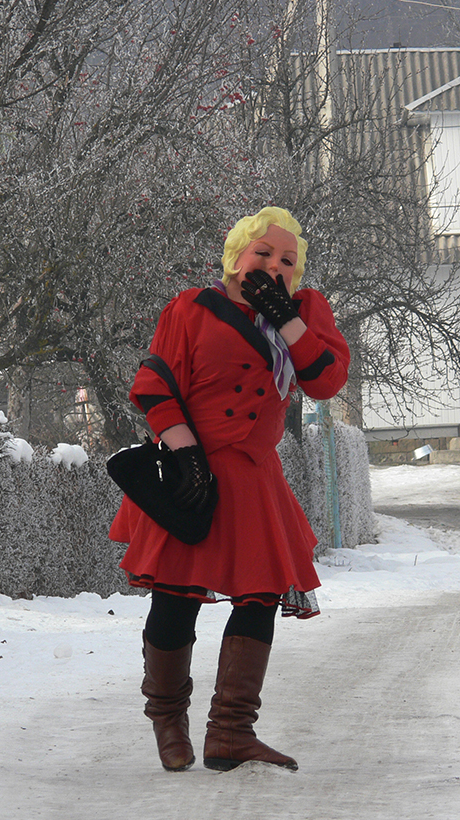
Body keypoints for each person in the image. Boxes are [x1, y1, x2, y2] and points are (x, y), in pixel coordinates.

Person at [109, 206, 349, 773]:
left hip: (256, 480)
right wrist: (186, 452)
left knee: (259, 598)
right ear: (236, 256)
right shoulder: (190, 308)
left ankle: (231, 733)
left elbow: (326, 380)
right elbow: (155, 386)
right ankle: (168, 722)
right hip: (191, 469)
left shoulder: (305, 313)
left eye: (287, 259)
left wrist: (285, 318)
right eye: (262, 253)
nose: (274, 265)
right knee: (175, 598)